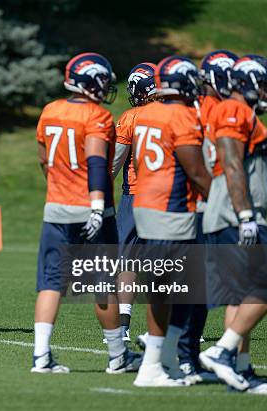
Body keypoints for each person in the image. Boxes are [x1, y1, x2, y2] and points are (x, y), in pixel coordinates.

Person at [32, 53, 140, 374]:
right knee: (102, 284)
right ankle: (118, 356)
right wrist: (96, 204)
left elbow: (44, 161)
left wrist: (60, 188)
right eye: (102, 80)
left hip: (56, 207)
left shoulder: (50, 110)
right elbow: (96, 162)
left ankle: (40, 356)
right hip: (93, 210)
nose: (106, 86)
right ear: (91, 81)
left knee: (52, 283)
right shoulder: (98, 116)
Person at [200, 54, 267, 395]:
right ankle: (223, 351)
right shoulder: (234, 110)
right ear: (248, 83)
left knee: (242, 296)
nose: (266, 92)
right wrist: (246, 215)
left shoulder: (237, 112)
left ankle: (241, 369)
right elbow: (233, 163)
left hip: (233, 212)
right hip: (237, 214)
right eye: (263, 85)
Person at [131, 56, 212, 387]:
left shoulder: (146, 113)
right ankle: (152, 366)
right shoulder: (182, 116)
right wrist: (227, 203)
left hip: (147, 203)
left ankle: (166, 359)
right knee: (167, 288)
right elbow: (194, 170)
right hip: (171, 208)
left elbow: (139, 160)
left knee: (177, 286)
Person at [177, 49, 238, 383]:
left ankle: (183, 350)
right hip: (202, 203)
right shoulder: (202, 110)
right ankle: (180, 348)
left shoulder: (210, 108)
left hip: (207, 202)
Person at [112, 62, 158, 343]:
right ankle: (182, 325)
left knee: (127, 262)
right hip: (168, 197)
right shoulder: (178, 115)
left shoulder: (130, 118)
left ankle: (123, 325)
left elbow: (115, 162)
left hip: (135, 195)